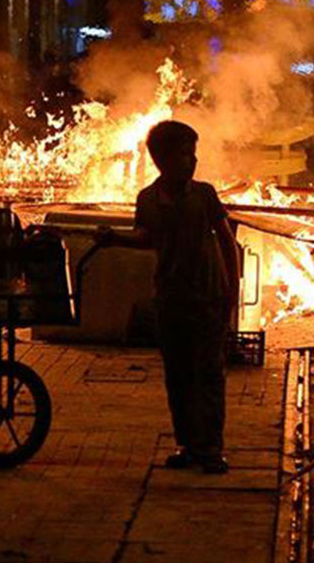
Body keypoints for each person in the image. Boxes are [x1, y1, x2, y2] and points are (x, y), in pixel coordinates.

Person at [96, 120, 240, 474]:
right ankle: (187, 444)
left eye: (193, 154)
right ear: (162, 159)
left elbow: (226, 240)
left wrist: (231, 289)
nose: (192, 161)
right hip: (171, 298)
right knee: (178, 375)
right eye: (185, 154)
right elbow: (147, 237)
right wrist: (113, 238)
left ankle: (210, 449)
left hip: (208, 295)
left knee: (209, 373)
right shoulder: (147, 199)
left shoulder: (204, 195)